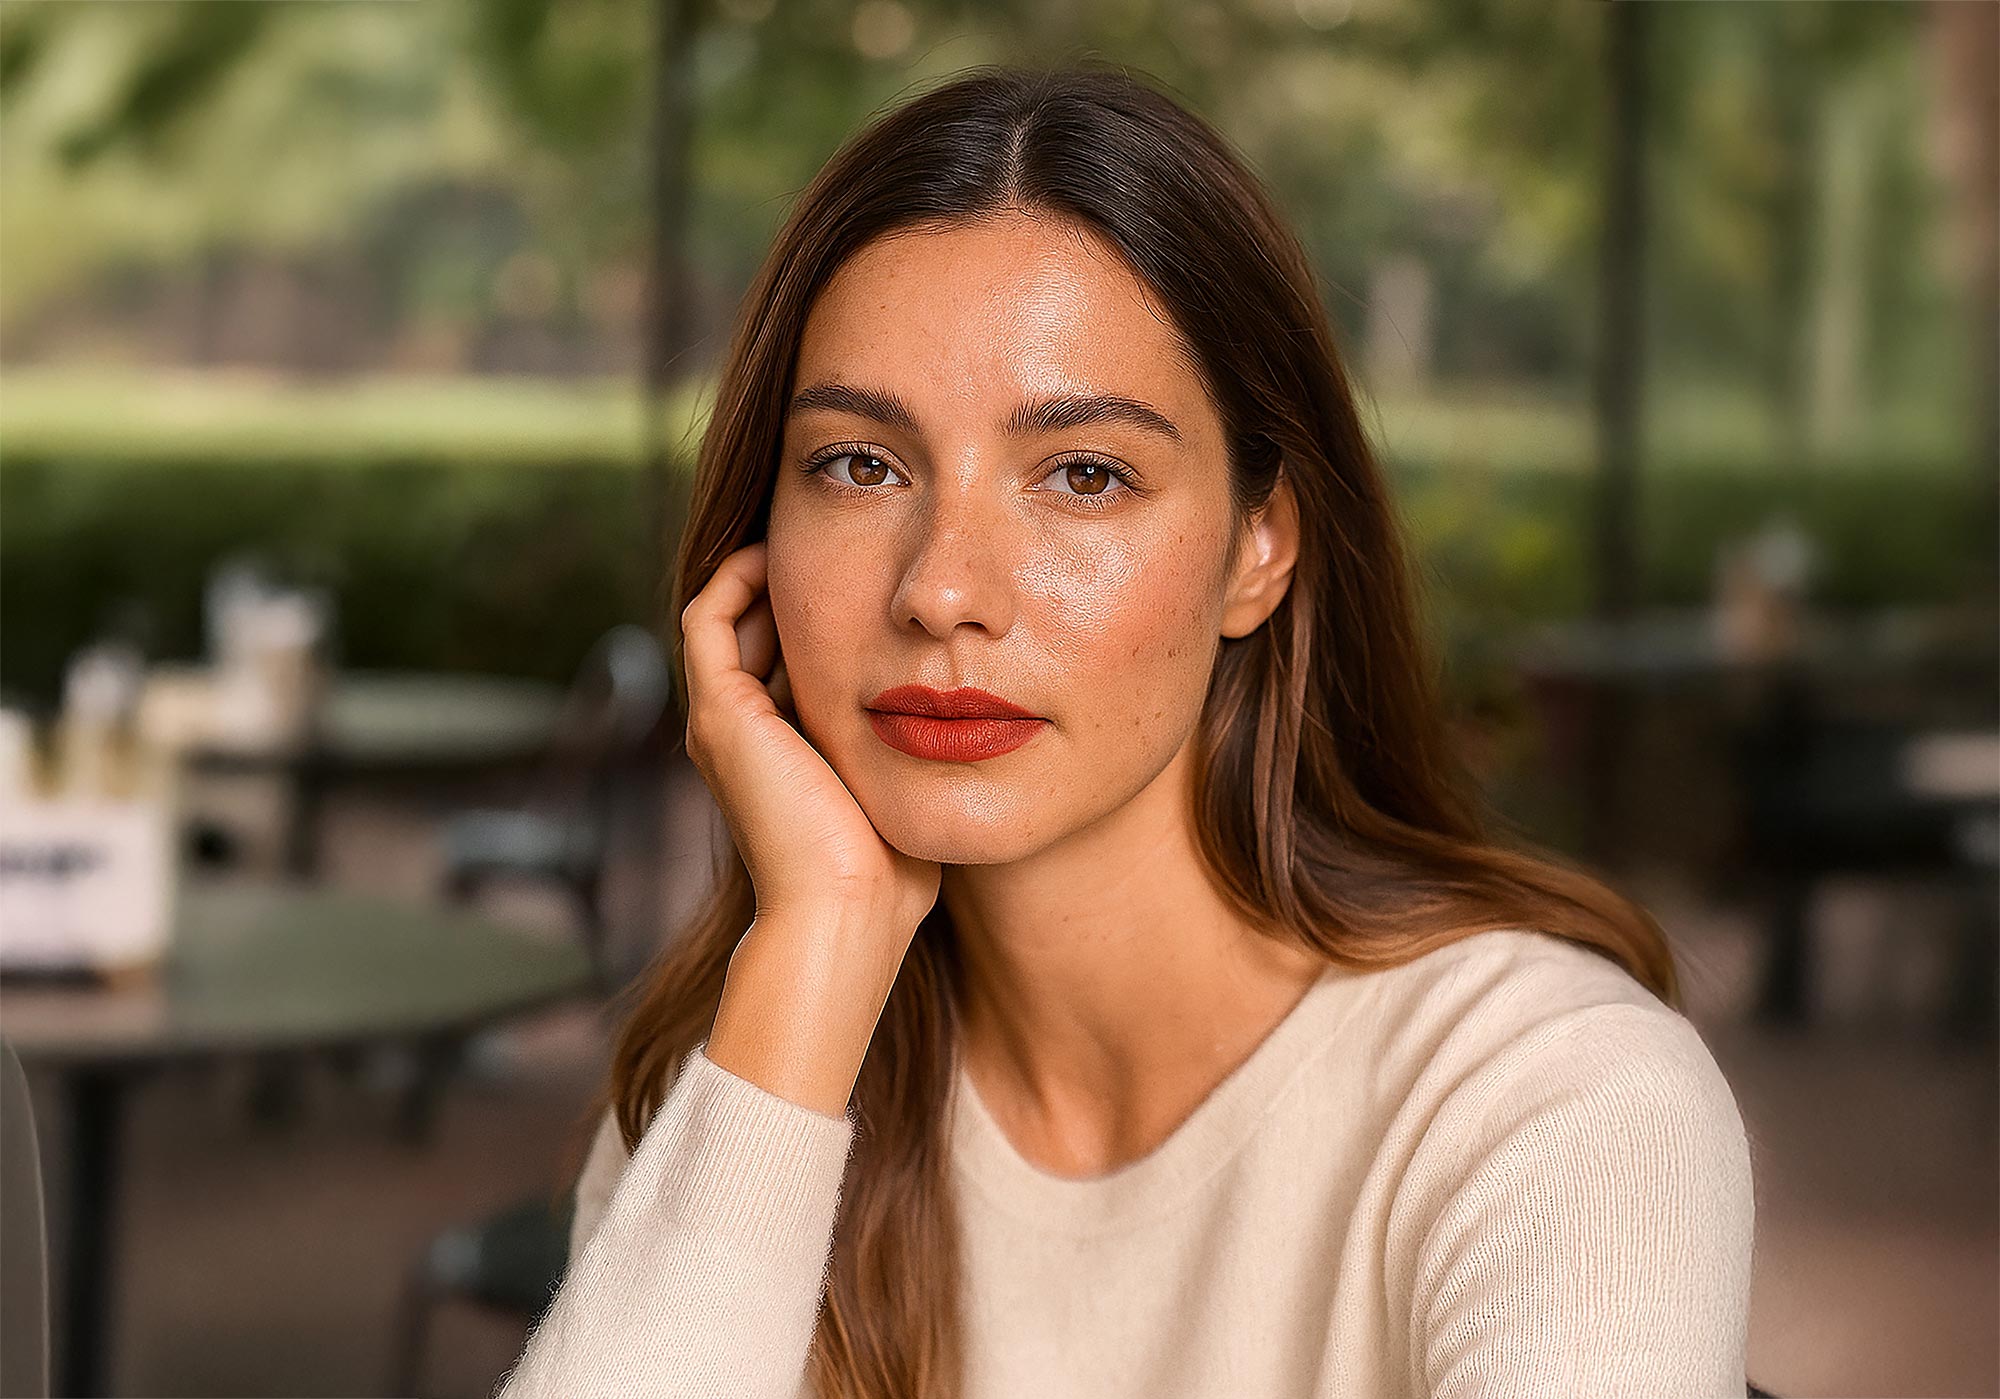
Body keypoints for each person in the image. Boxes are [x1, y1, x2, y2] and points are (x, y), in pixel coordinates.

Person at [494, 61, 1756, 1399]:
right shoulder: (761, 1078)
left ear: (1258, 549)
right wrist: (820, 937)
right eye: (861, 465)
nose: (942, 591)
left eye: (1085, 475)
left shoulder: (1550, 1102)